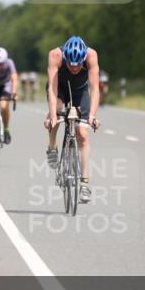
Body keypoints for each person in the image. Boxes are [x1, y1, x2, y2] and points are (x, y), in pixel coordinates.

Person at [44, 36, 101, 203]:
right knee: (57, 110)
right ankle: (52, 146)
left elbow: (95, 89)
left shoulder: (91, 56)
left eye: (78, 65)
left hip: (80, 90)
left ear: (83, 59)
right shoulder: (55, 55)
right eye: (70, 65)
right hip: (59, 87)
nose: (74, 68)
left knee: (82, 133)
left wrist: (92, 116)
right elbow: (53, 90)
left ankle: (84, 185)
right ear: (65, 58)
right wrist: (52, 116)